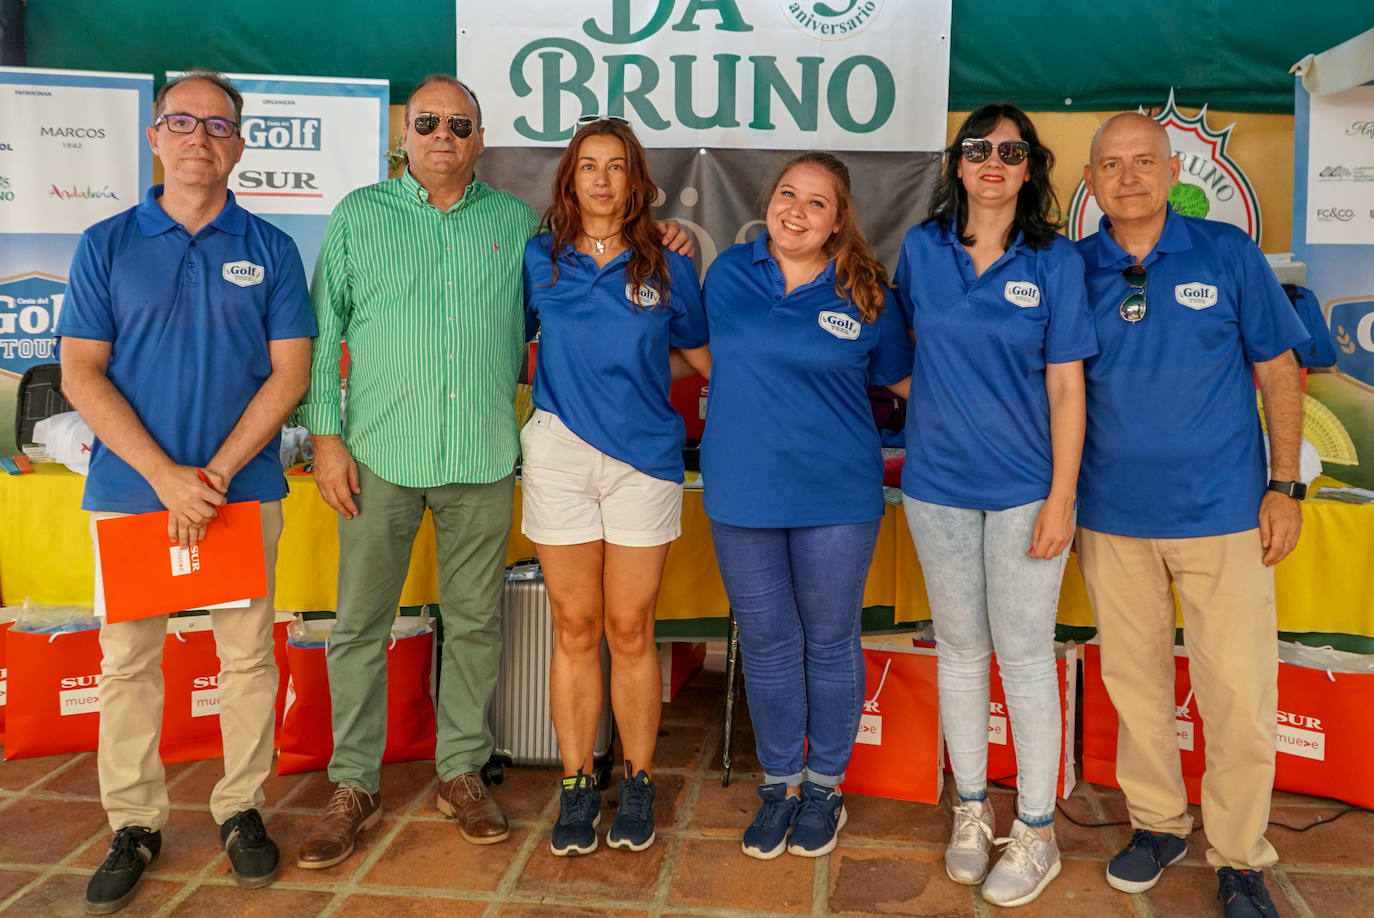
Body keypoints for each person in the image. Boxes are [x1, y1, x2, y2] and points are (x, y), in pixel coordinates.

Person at [296, 76, 692, 869]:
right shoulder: (358, 218)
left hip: (481, 457)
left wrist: (667, 236)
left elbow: (610, 294)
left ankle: (461, 772)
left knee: (477, 625)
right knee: (361, 626)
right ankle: (353, 783)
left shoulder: (519, 231)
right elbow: (321, 329)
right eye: (428, 122)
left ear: (481, 141)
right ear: (404, 135)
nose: (443, 134)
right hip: (379, 454)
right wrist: (324, 438)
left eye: (460, 124)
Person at [57, 69, 316, 913]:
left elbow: (289, 377)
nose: (199, 137)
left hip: (241, 492)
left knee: (246, 657)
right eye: (182, 122)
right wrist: (166, 477)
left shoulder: (272, 248)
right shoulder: (104, 244)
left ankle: (241, 809)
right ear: (154, 137)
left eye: (217, 125)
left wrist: (214, 475)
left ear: (239, 144)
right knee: (128, 663)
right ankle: (133, 821)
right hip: (132, 493)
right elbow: (81, 372)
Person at [1076, 112, 1307, 918]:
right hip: (1110, 518)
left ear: (1171, 170)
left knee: (1238, 694)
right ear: (1091, 179)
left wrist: (1286, 485)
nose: (1129, 177)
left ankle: (1241, 855)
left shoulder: (1228, 253)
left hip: (1224, 517)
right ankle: (1158, 823)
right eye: (1113, 164)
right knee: (1135, 685)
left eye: (1145, 162)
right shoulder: (1075, 269)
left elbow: (1278, 368)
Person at [891, 103, 1097, 907]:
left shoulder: (1056, 261)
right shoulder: (921, 248)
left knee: (1022, 657)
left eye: (1010, 151)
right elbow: (900, 353)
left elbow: (1067, 385)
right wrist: (943, 405)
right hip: (937, 489)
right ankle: (973, 813)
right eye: (979, 147)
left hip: (1024, 494)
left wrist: (1062, 499)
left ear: (1028, 168)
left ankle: (1038, 828)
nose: (993, 161)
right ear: (958, 163)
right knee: (961, 653)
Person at [700, 152, 913, 860]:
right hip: (742, 490)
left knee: (828, 640)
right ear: (769, 201)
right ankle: (779, 784)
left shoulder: (868, 293)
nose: (797, 209)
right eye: (788, 193)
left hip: (837, 496)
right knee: (765, 643)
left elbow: (906, 385)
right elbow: (697, 350)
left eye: (817, 202)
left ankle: (825, 787)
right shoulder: (729, 274)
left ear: (839, 220)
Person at [520, 117, 709, 856]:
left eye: (616, 167)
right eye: (587, 166)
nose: (601, 180)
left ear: (637, 181)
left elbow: (701, 356)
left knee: (630, 630)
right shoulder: (540, 258)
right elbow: (505, 345)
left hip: (644, 463)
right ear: (569, 178)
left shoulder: (668, 261)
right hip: (561, 454)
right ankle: (575, 785)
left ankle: (637, 779)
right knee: (573, 628)